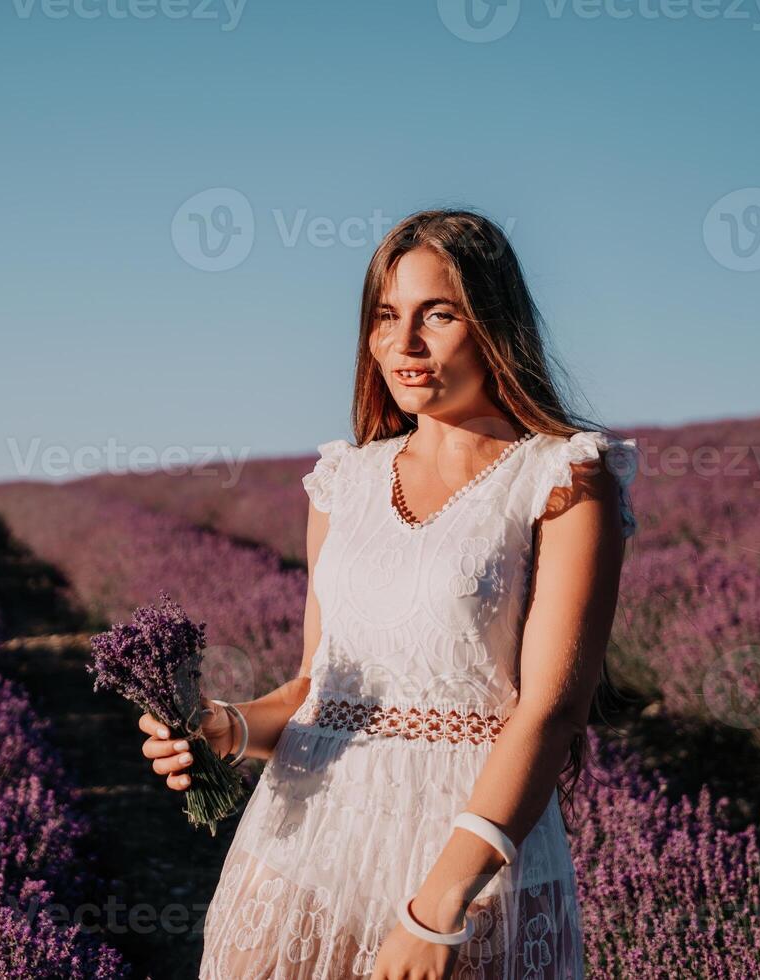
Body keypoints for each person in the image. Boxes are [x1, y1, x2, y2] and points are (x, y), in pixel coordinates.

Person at [138, 209, 639, 979]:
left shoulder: (562, 477)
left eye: (437, 315)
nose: (403, 345)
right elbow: (318, 687)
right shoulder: (347, 479)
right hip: (303, 842)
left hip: (464, 864)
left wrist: (439, 904)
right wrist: (223, 727)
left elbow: (552, 709)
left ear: (495, 324)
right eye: (385, 317)